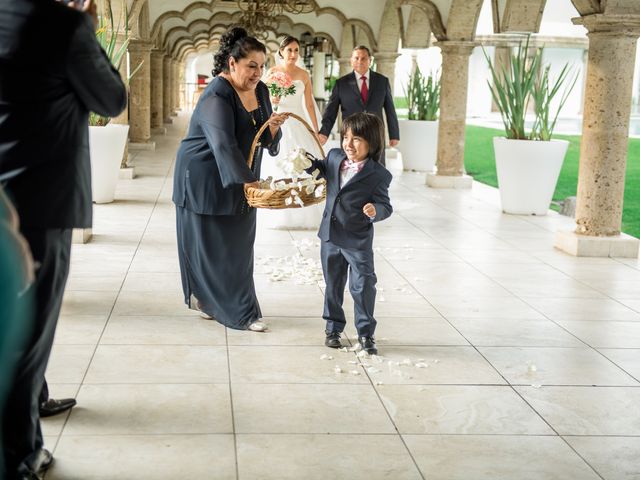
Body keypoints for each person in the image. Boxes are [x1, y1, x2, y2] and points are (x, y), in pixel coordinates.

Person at [0, 0, 127, 477]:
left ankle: (35, 397)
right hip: (41, 198)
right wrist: (88, 29)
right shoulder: (64, 25)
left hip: (3, 193)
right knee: (30, 331)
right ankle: (20, 452)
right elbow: (111, 99)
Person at [172, 27, 287, 332]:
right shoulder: (216, 94)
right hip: (203, 175)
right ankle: (236, 311)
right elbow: (223, 142)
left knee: (238, 244)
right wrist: (248, 181)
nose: (258, 72)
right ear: (232, 63)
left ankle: (234, 304)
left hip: (239, 174)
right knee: (210, 244)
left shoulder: (261, 91)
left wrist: (273, 130)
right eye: (252, 65)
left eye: (262, 66)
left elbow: (263, 136)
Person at [305, 113, 393, 355]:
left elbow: (386, 206)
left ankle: (366, 333)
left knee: (363, 285)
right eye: (346, 137)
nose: (349, 143)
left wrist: (376, 210)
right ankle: (333, 328)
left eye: (357, 139)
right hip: (330, 236)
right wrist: (305, 163)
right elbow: (319, 170)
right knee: (333, 284)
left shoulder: (379, 175)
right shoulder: (334, 157)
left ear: (372, 143)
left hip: (357, 239)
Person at [260, 35, 325, 230]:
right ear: (281, 52)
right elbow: (265, 101)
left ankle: (304, 210)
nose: (293, 54)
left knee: (304, 165)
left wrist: (316, 130)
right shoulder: (271, 73)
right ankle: (280, 211)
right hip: (279, 121)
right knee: (278, 165)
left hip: (299, 121)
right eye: (289, 50)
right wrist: (275, 100)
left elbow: (309, 105)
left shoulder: (304, 75)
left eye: (296, 50)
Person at [318, 45, 400, 166]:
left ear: (370, 61)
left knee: (377, 168)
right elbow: (331, 111)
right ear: (351, 61)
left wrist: (394, 134)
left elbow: (390, 109)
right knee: (350, 168)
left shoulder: (382, 81)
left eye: (364, 58)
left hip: (375, 133)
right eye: (356, 58)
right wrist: (324, 133)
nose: (360, 61)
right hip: (351, 135)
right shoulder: (341, 84)